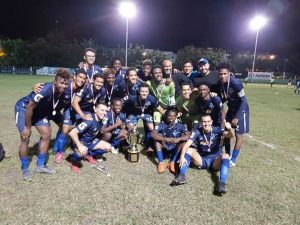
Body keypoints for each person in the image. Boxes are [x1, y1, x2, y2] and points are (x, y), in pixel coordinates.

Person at [15, 68, 71, 181]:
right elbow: (29, 107)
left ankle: (40, 166)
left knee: (46, 135)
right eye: (61, 83)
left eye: (66, 84)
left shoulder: (63, 92)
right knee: (25, 137)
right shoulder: (45, 89)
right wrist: (28, 127)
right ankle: (25, 168)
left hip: (39, 112)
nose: (64, 86)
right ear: (54, 82)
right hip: (24, 109)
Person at [172, 114, 234, 194]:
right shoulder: (197, 131)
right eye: (204, 122)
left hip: (215, 161)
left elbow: (230, 136)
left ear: (211, 122)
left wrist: (229, 129)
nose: (206, 124)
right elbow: (186, 145)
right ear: (201, 122)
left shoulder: (217, 130)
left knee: (226, 155)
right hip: (202, 160)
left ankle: (222, 184)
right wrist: (181, 157)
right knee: (189, 150)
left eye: (208, 121)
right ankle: (181, 176)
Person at [217, 63, 250, 167]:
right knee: (226, 132)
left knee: (238, 135)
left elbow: (244, 101)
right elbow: (225, 97)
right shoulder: (221, 83)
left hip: (241, 110)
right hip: (231, 109)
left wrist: (237, 117)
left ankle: (233, 160)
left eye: (225, 73)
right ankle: (227, 154)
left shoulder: (236, 83)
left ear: (229, 73)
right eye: (220, 74)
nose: (222, 76)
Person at [68, 102, 111, 173]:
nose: (104, 113)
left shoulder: (101, 119)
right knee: (81, 152)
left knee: (108, 147)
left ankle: (89, 155)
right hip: (80, 142)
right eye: (102, 110)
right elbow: (72, 133)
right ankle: (74, 163)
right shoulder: (89, 120)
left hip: (90, 141)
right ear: (95, 110)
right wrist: (80, 146)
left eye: (106, 111)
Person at [123, 83, 165, 152]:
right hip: (134, 114)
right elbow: (120, 103)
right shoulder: (132, 97)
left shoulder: (152, 99)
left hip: (146, 114)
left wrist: (167, 117)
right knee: (131, 127)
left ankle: (147, 145)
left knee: (151, 127)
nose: (144, 93)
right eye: (142, 91)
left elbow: (160, 109)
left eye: (146, 91)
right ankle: (130, 145)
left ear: (148, 92)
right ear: (139, 91)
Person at [151, 107, 190, 174]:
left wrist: (178, 139)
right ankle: (161, 163)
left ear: (176, 117)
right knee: (157, 138)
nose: (171, 117)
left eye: (173, 116)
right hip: (164, 147)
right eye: (169, 115)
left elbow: (189, 135)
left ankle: (173, 163)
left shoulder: (181, 125)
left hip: (174, 148)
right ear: (166, 116)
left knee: (183, 140)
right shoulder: (161, 125)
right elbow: (152, 134)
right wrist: (164, 139)